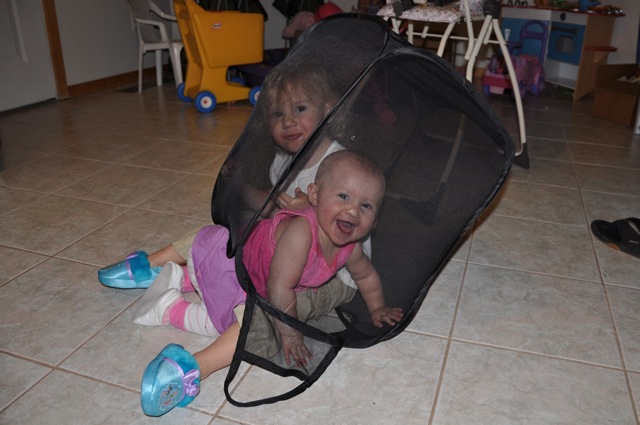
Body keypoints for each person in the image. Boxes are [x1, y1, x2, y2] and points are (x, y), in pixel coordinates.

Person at [137, 151, 404, 416]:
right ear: (314, 195)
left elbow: (365, 275)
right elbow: (279, 289)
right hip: (230, 262)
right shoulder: (301, 233)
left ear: (376, 219)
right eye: (343, 196)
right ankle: (190, 366)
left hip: (254, 284)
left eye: (366, 206)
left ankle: (174, 291)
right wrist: (290, 333)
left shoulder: (352, 247)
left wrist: (377, 308)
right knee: (249, 328)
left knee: (245, 325)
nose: (353, 210)